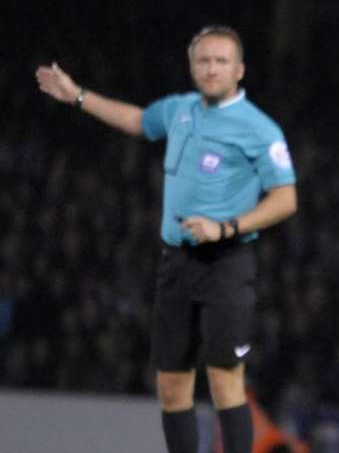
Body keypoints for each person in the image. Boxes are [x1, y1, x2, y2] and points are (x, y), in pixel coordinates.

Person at [35, 25, 298, 453]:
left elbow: (287, 198)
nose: (212, 68)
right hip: (176, 261)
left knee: (224, 379)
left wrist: (227, 227)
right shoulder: (180, 109)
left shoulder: (259, 128)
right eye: (204, 60)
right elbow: (138, 121)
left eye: (221, 61)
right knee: (172, 384)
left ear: (240, 69)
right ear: (193, 66)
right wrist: (78, 96)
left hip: (226, 262)